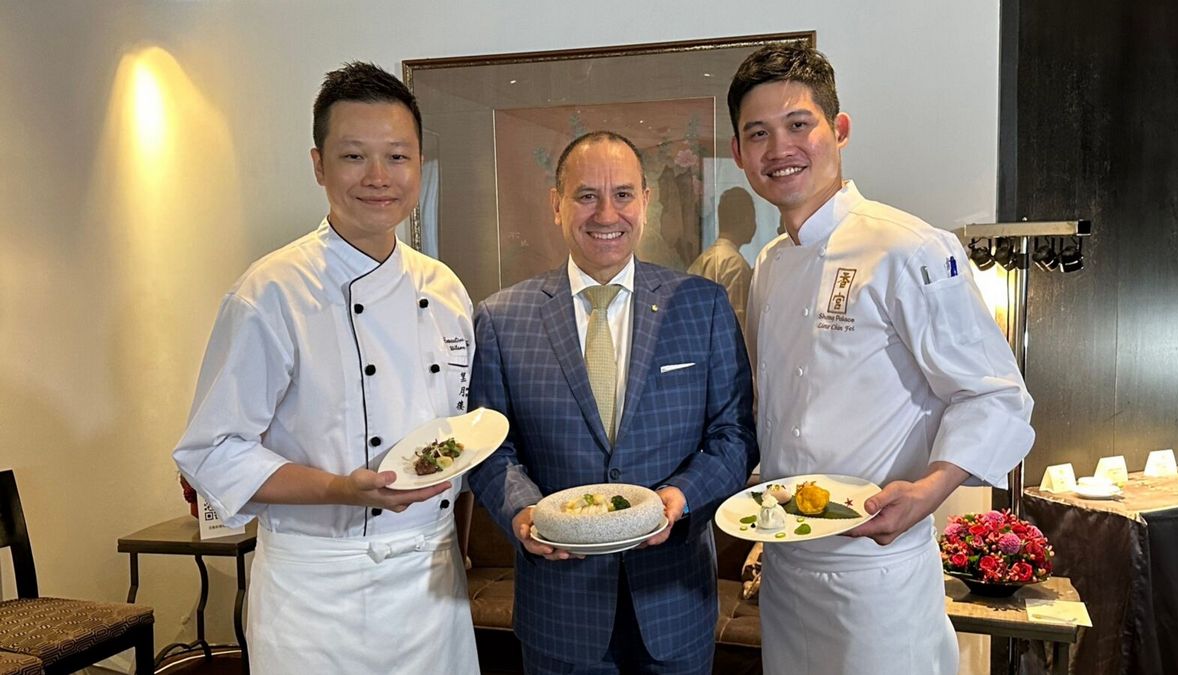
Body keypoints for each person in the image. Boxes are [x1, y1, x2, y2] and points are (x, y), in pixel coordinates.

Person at [729, 43, 1035, 674]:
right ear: (739, 154)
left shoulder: (910, 247)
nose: (778, 148)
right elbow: (778, 405)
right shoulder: (768, 265)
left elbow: (995, 394)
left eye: (797, 125)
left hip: (877, 571)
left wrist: (929, 490)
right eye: (757, 134)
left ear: (838, 130)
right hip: (787, 566)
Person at [173, 61, 479, 674]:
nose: (378, 178)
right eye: (353, 156)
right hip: (317, 593)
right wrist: (341, 488)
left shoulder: (444, 289)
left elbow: (459, 437)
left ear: (420, 165)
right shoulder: (272, 292)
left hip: (431, 583)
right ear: (318, 164)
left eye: (397, 157)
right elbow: (212, 453)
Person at [468, 131, 757, 674]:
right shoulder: (502, 319)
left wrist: (680, 496)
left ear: (646, 201)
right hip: (560, 606)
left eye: (623, 194)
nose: (607, 213)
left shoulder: (701, 305)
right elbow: (491, 449)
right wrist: (524, 513)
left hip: (675, 601)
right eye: (586, 196)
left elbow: (735, 434)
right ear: (556, 204)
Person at [687, 186, 757, 331]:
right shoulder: (735, 264)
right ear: (747, 218)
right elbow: (736, 324)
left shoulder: (703, 259)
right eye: (754, 218)